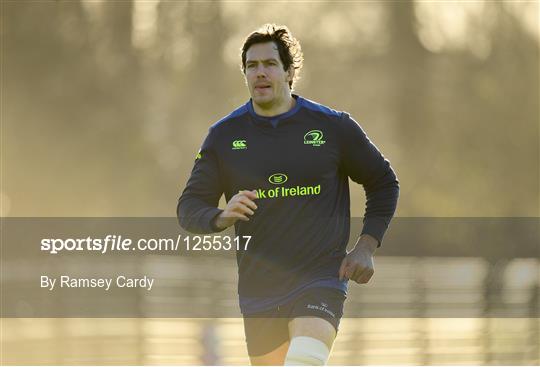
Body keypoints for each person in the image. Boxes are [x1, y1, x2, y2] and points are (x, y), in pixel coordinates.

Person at [177, 24, 399, 366]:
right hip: (259, 291)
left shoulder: (332, 127)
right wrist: (220, 216)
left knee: (304, 361)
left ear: (290, 71)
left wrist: (367, 246)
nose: (260, 73)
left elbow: (383, 181)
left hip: (321, 277)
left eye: (269, 64)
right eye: (252, 66)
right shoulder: (224, 136)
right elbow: (189, 207)